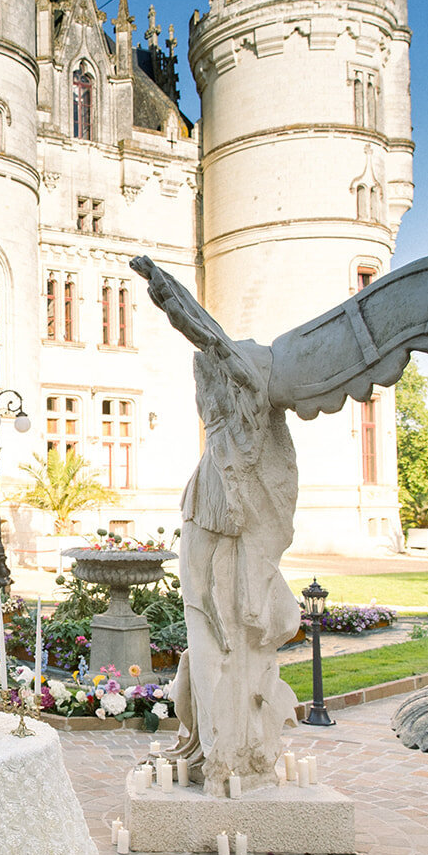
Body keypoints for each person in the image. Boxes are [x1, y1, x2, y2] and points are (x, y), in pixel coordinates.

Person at [129, 256, 301, 790]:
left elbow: (213, 344)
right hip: (212, 496)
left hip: (222, 496)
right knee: (202, 616)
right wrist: (171, 297)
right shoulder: (234, 397)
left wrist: (172, 298)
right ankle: (219, 745)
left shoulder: (248, 393)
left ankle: (227, 744)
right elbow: (209, 342)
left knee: (217, 614)